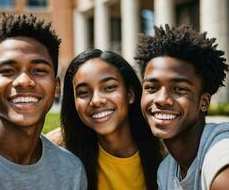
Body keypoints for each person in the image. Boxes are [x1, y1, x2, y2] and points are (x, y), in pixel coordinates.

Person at [0, 13, 87, 190]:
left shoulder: (72, 170)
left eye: (39, 70)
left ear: (57, 86)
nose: (24, 81)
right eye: (7, 71)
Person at [136, 24, 229, 190]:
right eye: (151, 87)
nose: (162, 99)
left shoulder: (221, 155)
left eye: (179, 89)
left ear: (204, 102)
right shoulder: (166, 171)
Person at [56, 49, 161, 190]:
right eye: (83, 93)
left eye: (109, 87)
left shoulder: (164, 152)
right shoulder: (59, 152)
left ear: (130, 94)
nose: (96, 100)